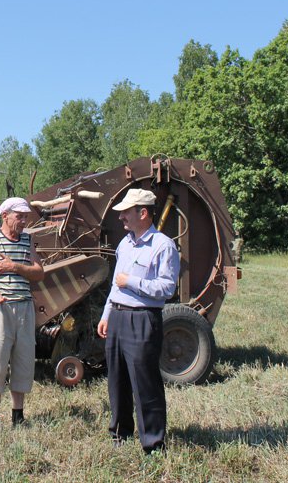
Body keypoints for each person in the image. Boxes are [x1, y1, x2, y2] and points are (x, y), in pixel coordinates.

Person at [96, 188, 179, 453]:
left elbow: (167, 289)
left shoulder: (163, 246)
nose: (121, 218)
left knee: (145, 382)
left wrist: (131, 281)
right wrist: (107, 314)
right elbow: (115, 286)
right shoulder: (125, 244)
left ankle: (153, 443)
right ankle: (119, 433)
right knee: (117, 379)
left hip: (143, 318)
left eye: (126, 213)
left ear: (143, 213)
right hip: (118, 317)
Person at [0, 197, 44, 430]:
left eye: (26, 217)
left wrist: (14, 267)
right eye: (19, 216)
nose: (24, 221)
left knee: (23, 360)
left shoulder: (27, 239)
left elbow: (38, 272)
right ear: (5, 216)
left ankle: (18, 415)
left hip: (24, 306)